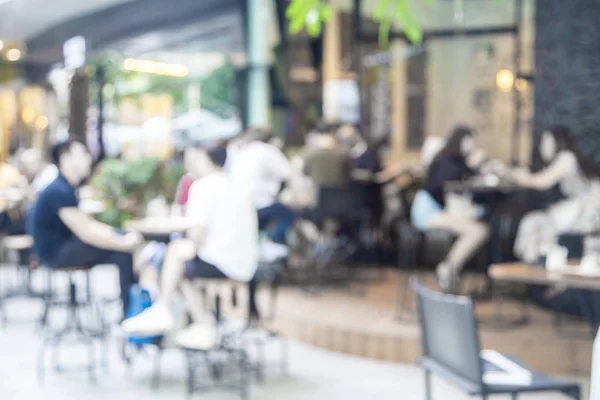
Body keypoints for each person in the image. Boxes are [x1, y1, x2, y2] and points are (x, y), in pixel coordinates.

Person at [122, 143, 258, 340]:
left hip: (220, 263)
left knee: (175, 256)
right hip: (247, 265)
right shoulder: (238, 185)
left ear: (205, 158)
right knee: (180, 263)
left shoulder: (203, 186)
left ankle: (169, 311)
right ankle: (199, 323)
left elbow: (196, 235)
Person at [29, 140, 141, 316]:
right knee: (123, 253)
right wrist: (124, 244)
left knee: (121, 238)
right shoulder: (59, 190)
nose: (89, 159)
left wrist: (119, 235)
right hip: (55, 253)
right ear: (66, 159)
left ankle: (132, 309)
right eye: (83, 154)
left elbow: (88, 225)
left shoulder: (64, 187)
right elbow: (87, 233)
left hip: (64, 246)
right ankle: (130, 314)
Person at [410, 126, 490, 292]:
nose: (472, 145)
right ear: (460, 140)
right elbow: (451, 183)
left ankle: (450, 274)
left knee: (478, 228)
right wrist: (474, 165)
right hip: (427, 210)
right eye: (469, 141)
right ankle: (447, 269)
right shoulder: (447, 159)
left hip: (433, 207)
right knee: (478, 231)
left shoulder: (451, 159)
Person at [513, 126, 600, 263]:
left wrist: (520, 177)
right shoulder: (565, 158)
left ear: (557, 141)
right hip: (581, 208)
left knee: (535, 223)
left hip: (588, 210)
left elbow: (542, 182)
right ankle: (539, 267)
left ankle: (538, 268)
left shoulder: (566, 157)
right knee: (535, 222)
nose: (542, 146)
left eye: (546, 141)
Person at [228, 128, 295, 244]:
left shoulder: (243, 151)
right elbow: (289, 173)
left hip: (239, 206)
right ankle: (271, 242)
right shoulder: (268, 150)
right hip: (259, 204)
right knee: (290, 214)